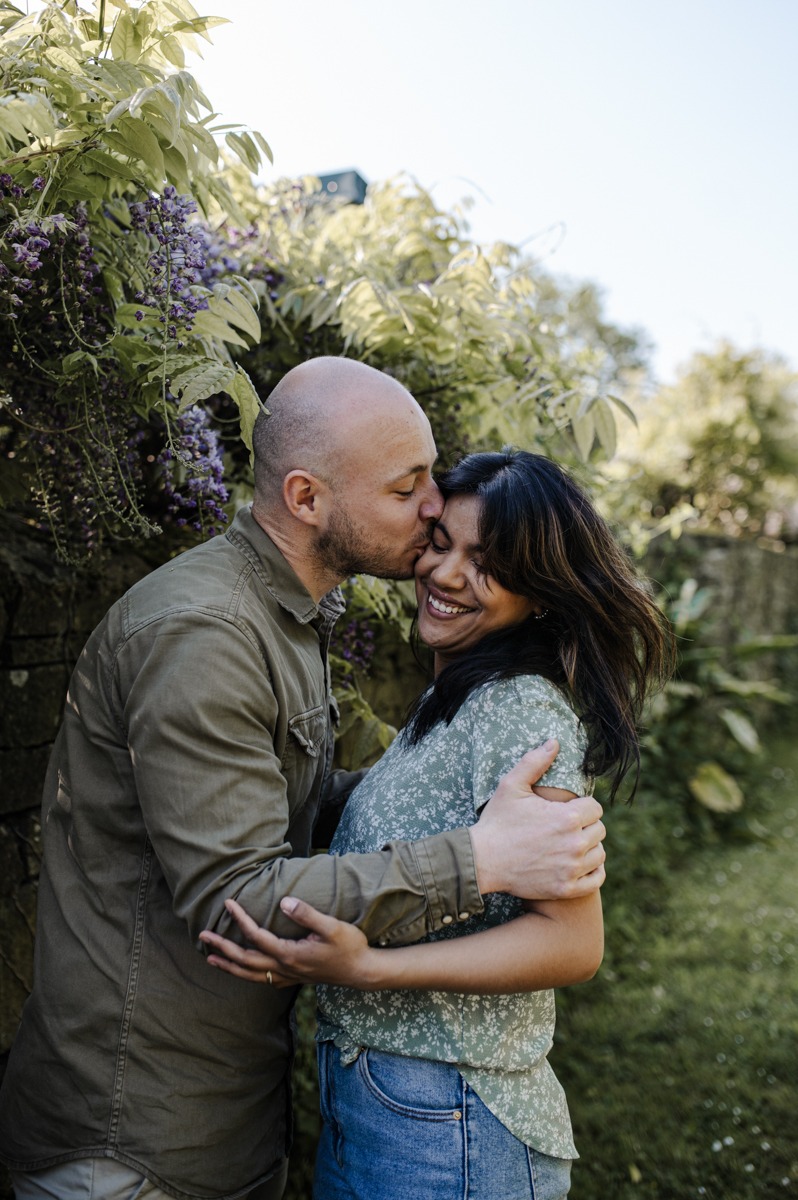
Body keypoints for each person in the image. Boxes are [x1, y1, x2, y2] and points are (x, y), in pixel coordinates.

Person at [0, 361, 607, 1200]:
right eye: (408, 488)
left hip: (233, 1112)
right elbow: (237, 898)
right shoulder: (206, 634)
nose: (435, 506)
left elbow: (279, 798)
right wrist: (481, 859)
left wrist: (445, 811)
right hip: (135, 1138)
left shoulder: (284, 618)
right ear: (308, 498)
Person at [201, 448, 673, 1200]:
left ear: (541, 593)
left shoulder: (519, 709)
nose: (447, 575)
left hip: (450, 1118)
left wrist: (371, 970)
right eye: (442, 544)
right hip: (379, 1100)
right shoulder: (454, 693)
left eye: (489, 564)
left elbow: (573, 941)